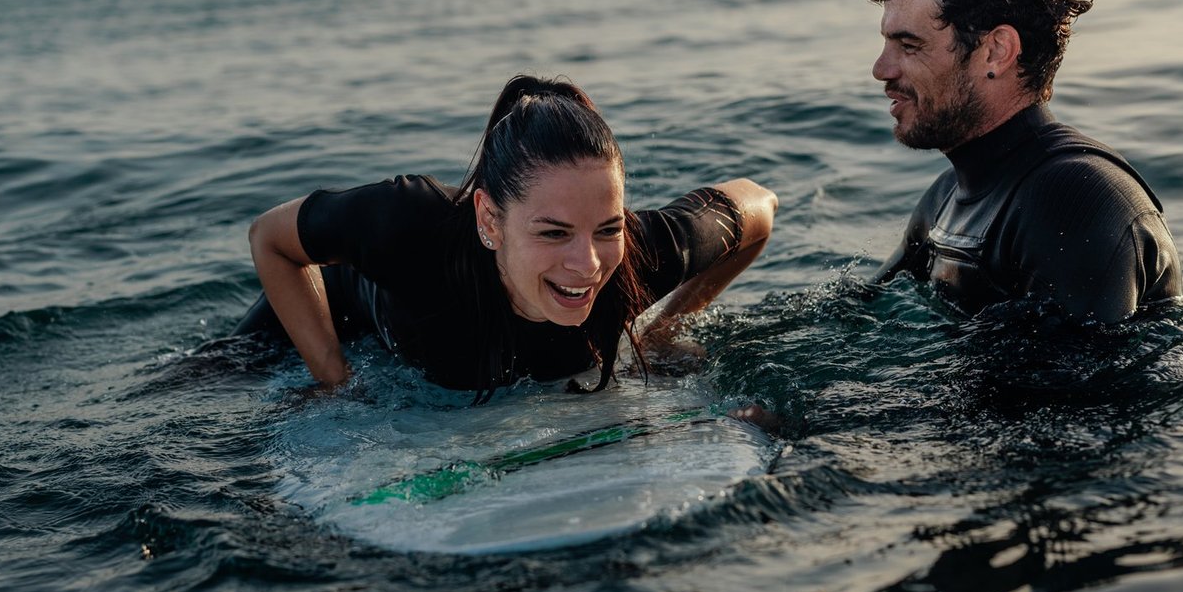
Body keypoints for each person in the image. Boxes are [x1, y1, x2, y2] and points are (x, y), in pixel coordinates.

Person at [234, 75, 778, 400]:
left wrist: (665, 327)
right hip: (326, 316)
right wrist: (334, 380)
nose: (587, 263)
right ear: (490, 221)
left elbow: (759, 207)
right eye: (554, 232)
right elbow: (269, 238)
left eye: (606, 227)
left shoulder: (640, 255)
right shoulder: (409, 222)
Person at [866, 0, 1182, 322]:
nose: (881, 69)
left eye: (909, 45)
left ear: (996, 51)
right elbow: (854, 319)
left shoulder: (1076, 200)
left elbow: (1074, 382)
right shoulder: (945, 199)